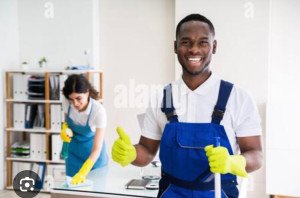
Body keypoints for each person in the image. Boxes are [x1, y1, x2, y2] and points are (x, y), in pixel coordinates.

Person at [112, 14, 263, 198]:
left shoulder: (238, 97)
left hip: (218, 193)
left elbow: (256, 155)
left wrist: (234, 162)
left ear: (214, 47)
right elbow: (147, 151)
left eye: (203, 42)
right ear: (175, 47)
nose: (194, 49)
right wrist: (131, 154)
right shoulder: (163, 97)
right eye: (186, 42)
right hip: (171, 192)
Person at [61, 74, 108, 185]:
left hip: (93, 159)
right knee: (72, 192)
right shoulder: (66, 102)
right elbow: (66, 121)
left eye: (78, 98)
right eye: (71, 99)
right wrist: (64, 129)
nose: (75, 103)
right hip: (73, 155)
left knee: (94, 192)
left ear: (87, 93)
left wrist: (83, 171)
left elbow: (97, 149)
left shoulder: (98, 111)